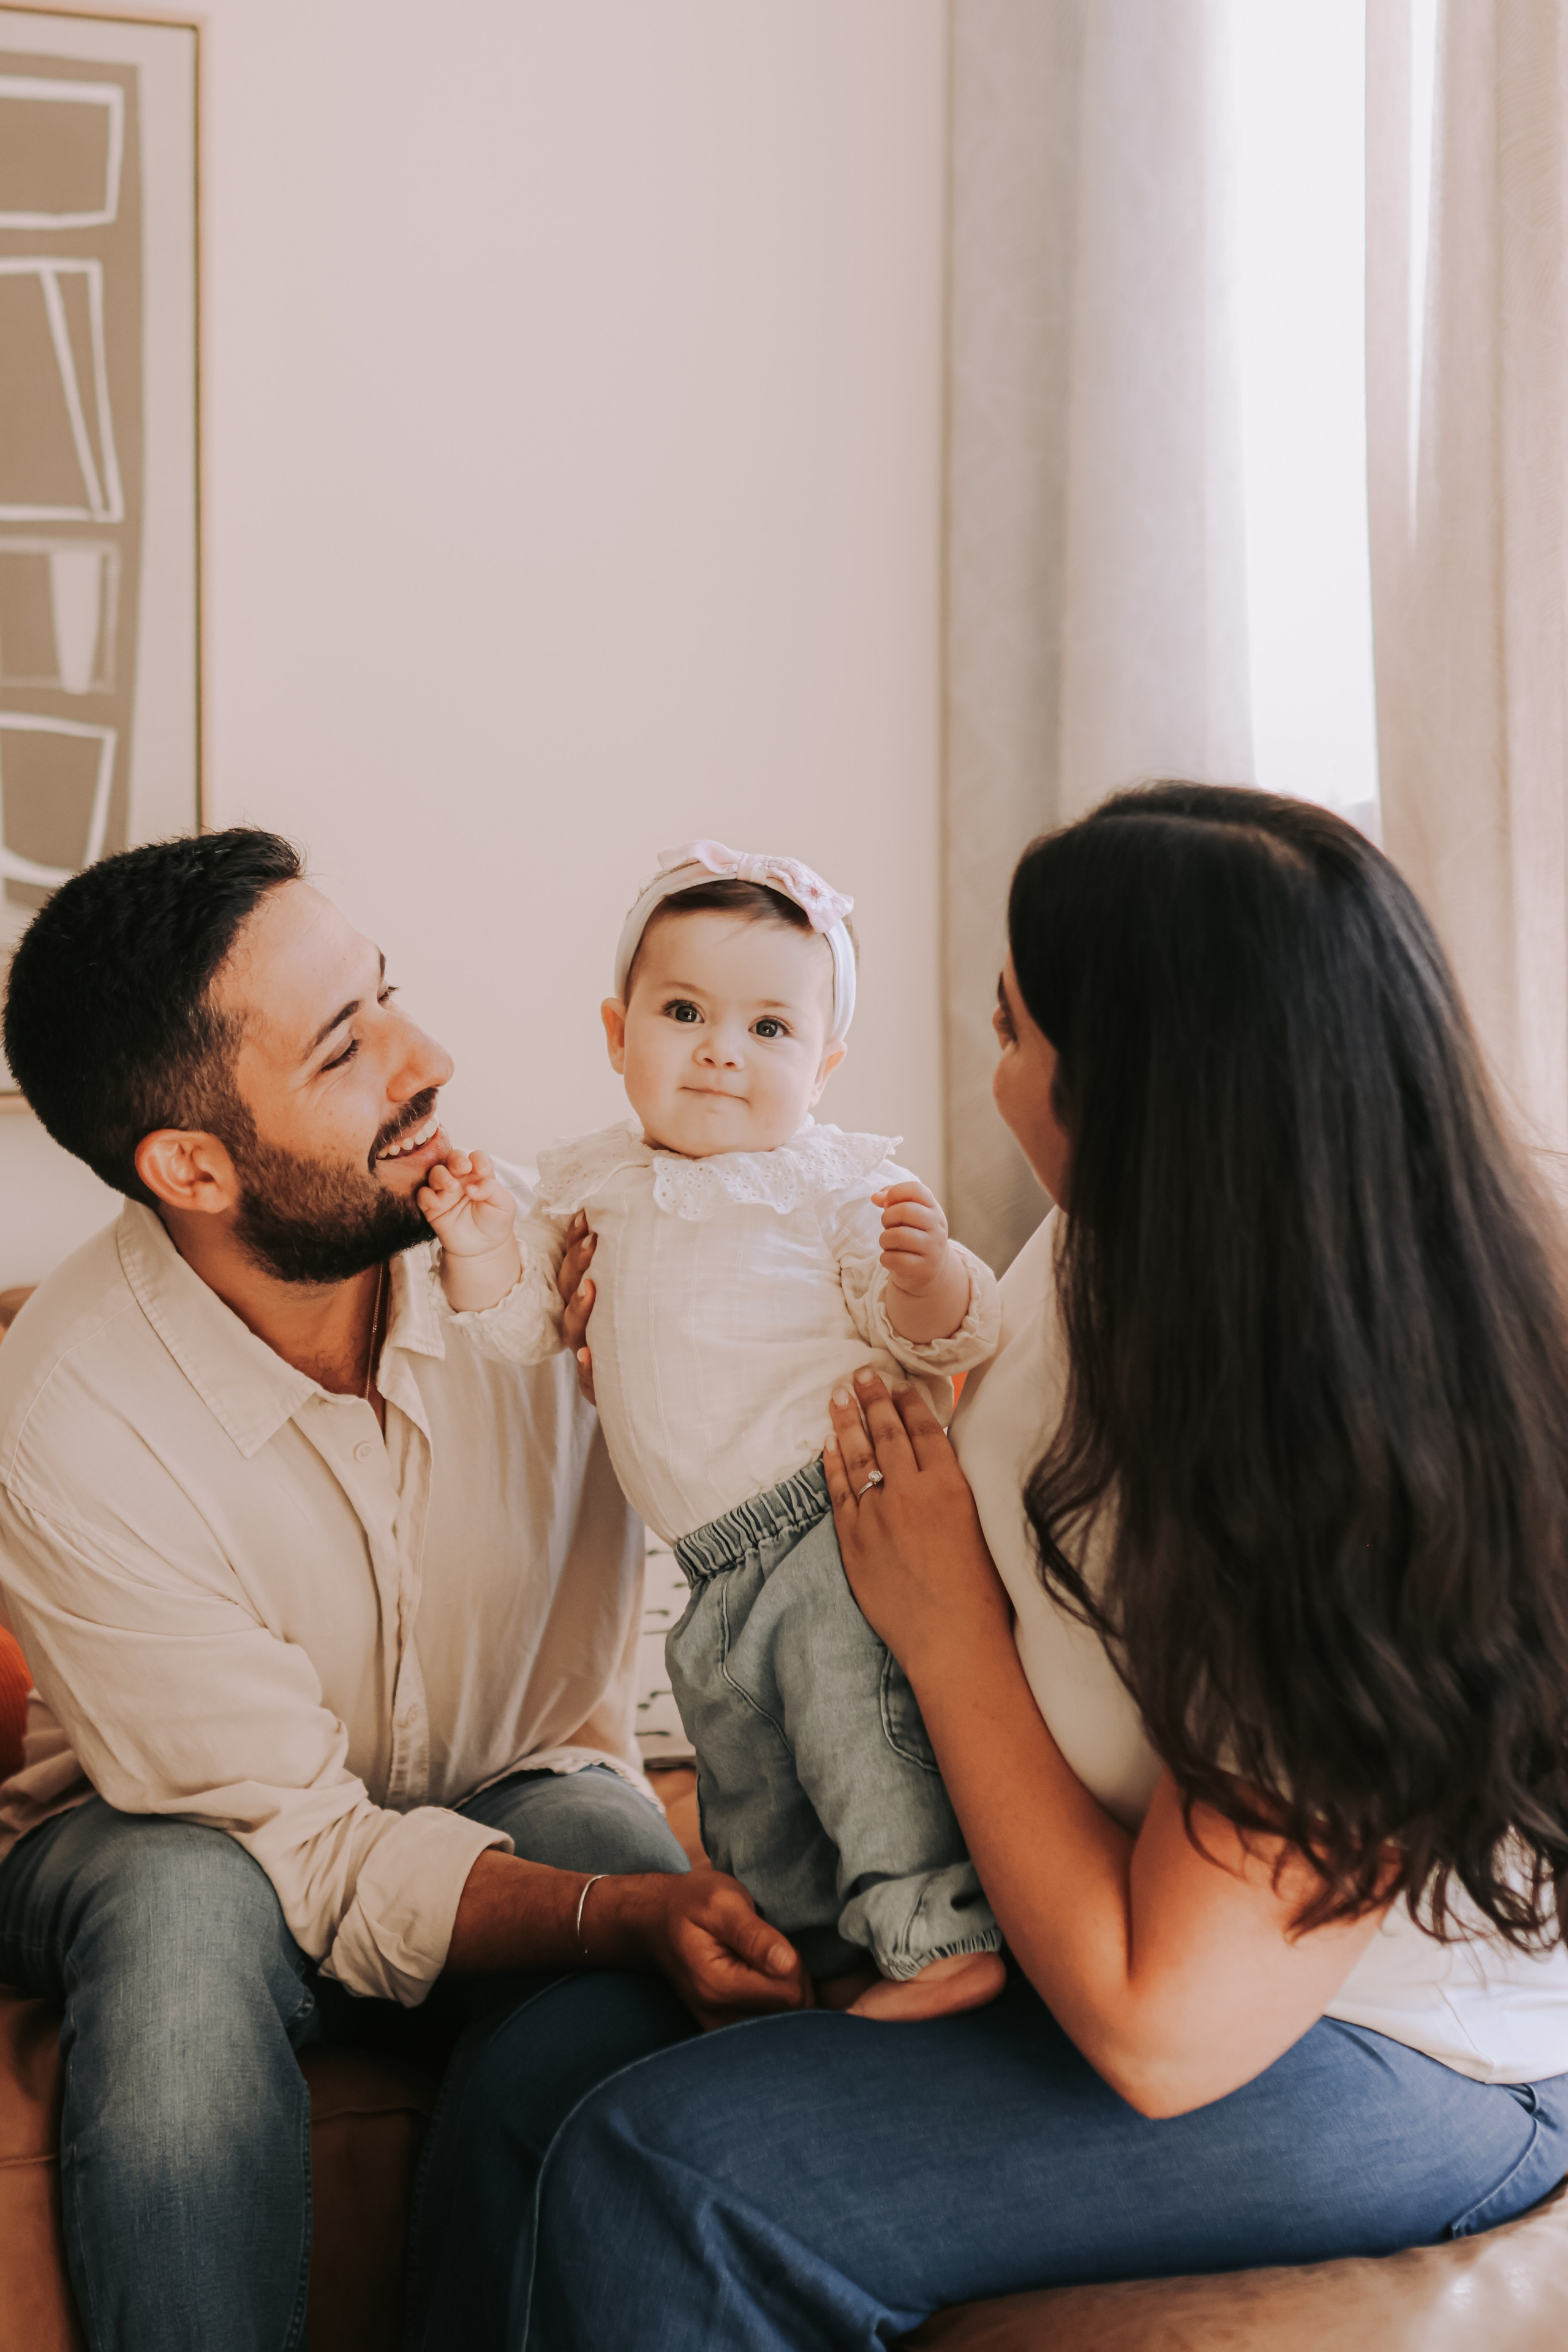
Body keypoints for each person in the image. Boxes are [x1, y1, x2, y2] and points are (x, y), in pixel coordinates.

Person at [434, 785, 1568, 2351]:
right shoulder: (1112, 1238)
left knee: (665, 2168)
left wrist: (947, 1620)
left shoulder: (1348, 1458)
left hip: (1376, 2049)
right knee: (526, 2078)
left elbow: (1162, 2027)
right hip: (1042, 1910)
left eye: (1012, 1030)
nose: (996, 1070)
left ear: (1136, 1090)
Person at [0, 829, 808, 2352]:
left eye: (386, 994)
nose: (426, 1060)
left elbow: (798, 1443)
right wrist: (611, 1914)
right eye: (344, 1046)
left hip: (514, 1778)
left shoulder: (557, 1260)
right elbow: (300, 1851)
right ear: (190, 1168)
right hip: (163, 1837)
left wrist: (692, 1376)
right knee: (184, 1914)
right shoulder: (64, 1418)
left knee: (603, 1865)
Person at [418, 840, 1005, 2020]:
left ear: (824, 1067)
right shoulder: (589, 1185)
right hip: (711, 1563)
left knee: (856, 1732)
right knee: (748, 1776)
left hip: (833, 1522)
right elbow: (526, 1326)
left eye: (769, 1028)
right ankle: (811, 1958)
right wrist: (479, 1244)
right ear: (616, 1032)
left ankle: (940, 1940)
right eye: (683, 1012)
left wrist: (928, 1276)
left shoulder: (830, 1185)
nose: (721, 1049)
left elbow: (944, 1336)